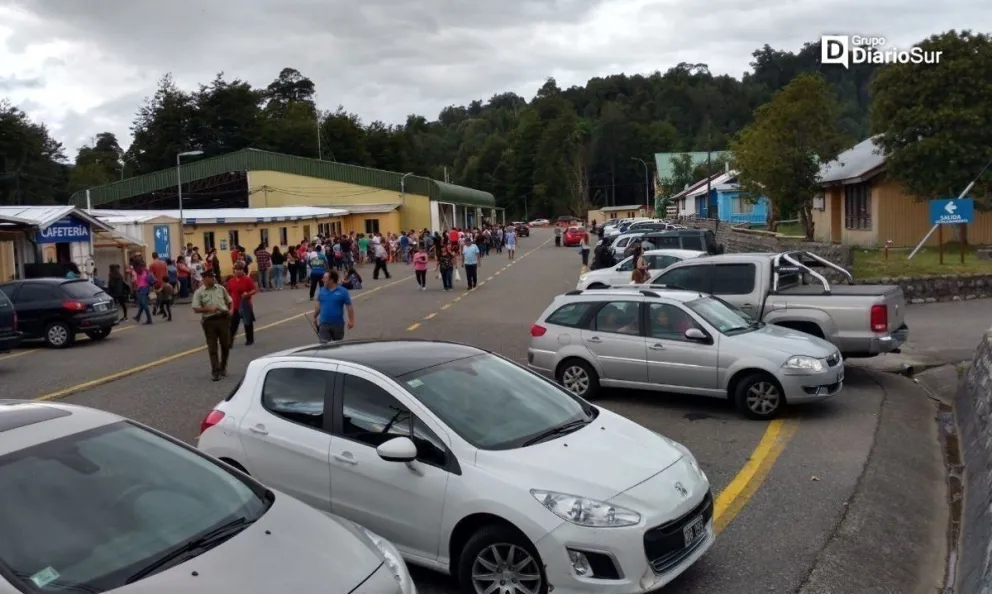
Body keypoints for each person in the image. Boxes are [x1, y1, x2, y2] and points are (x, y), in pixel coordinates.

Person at [192, 270, 233, 381]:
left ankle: (223, 367)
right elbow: (195, 308)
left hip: (223, 318)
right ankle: (216, 371)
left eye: (214, 277)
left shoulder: (220, 288)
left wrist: (231, 310)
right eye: (211, 277)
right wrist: (208, 309)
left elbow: (229, 301)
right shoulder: (199, 292)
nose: (213, 279)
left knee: (225, 345)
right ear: (204, 278)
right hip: (209, 321)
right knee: (212, 347)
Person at [313, 270, 355, 343]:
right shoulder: (322, 290)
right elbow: (318, 305)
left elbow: (349, 306)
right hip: (324, 323)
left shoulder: (343, 291)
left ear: (331, 280)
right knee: (324, 346)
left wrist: (351, 320)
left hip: (338, 324)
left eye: (324, 278)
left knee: (337, 346)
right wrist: (314, 317)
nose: (322, 280)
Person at [226, 263, 258, 347]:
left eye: (240, 269)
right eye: (237, 269)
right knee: (232, 325)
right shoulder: (231, 281)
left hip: (245, 305)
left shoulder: (247, 279)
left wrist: (248, 294)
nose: (238, 271)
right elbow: (228, 292)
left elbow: (254, 289)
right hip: (235, 306)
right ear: (234, 271)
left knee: (247, 323)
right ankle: (229, 342)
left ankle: (249, 339)